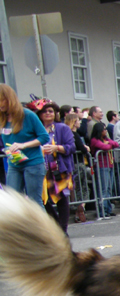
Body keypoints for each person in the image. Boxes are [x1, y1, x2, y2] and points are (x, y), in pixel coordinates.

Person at [0, 84, 49, 207]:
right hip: (14, 164)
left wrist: (23, 145)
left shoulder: (27, 115)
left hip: (33, 163)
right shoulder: (2, 118)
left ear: (9, 99)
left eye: (1, 100)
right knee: (12, 200)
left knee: (34, 201)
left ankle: (41, 226)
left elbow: (44, 137)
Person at [35, 99, 77, 232]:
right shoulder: (37, 129)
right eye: (44, 111)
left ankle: (62, 230)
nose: (48, 113)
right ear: (39, 114)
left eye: (50, 111)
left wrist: (57, 147)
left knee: (61, 198)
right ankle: (57, 226)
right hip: (41, 168)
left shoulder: (62, 128)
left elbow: (71, 147)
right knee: (43, 199)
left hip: (59, 168)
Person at [89, 121, 119, 219]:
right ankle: (102, 211)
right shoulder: (94, 140)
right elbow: (105, 147)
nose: (106, 131)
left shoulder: (105, 139)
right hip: (101, 166)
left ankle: (108, 210)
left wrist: (109, 143)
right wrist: (108, 144)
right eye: (104, 129)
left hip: (109, 165)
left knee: (109, 188)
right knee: (103, 189)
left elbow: (116, 144)